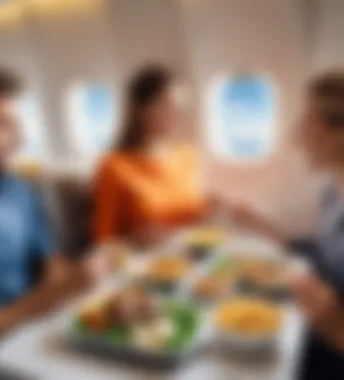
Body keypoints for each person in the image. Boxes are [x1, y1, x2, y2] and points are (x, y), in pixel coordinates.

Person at [0, 66, 108, 379]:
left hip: (33, 343)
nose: (21, 139)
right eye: (4, 125)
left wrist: (66, 283)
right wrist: (40, 304)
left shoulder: (18, 191)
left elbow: (47, 259)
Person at [231, 71, 344, 379]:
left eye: (306, 122)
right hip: (316, 326)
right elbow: (322, 255)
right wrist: (260, 225)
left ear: (339, 131)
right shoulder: (332, 193)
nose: (297, 137)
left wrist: (334, 323)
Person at [92, 65, 220, 246]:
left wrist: (212, 211)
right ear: (140, 110)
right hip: (146, 263)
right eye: (167, 105)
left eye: (179, 106)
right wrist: (133, 240)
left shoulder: (188, 157)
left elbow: (193, 214)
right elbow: (103, 240)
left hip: (193, 252)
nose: (176, 114)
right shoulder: (113, 166)